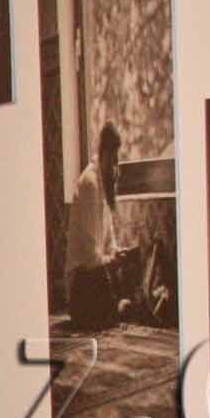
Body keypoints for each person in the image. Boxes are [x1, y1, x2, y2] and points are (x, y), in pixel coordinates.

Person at [64, 121, 134, 331]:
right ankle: (113, 308)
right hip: (82, 280)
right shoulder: (89, 185)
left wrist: (116, 253)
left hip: (97, 271)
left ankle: (115, 306)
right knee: (103, 281)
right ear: (103, 152)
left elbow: (108, 238)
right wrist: (111, 260)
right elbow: (90, 257)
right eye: (113, 156)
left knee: (128, 264)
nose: (115, 163)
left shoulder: (102, 185)